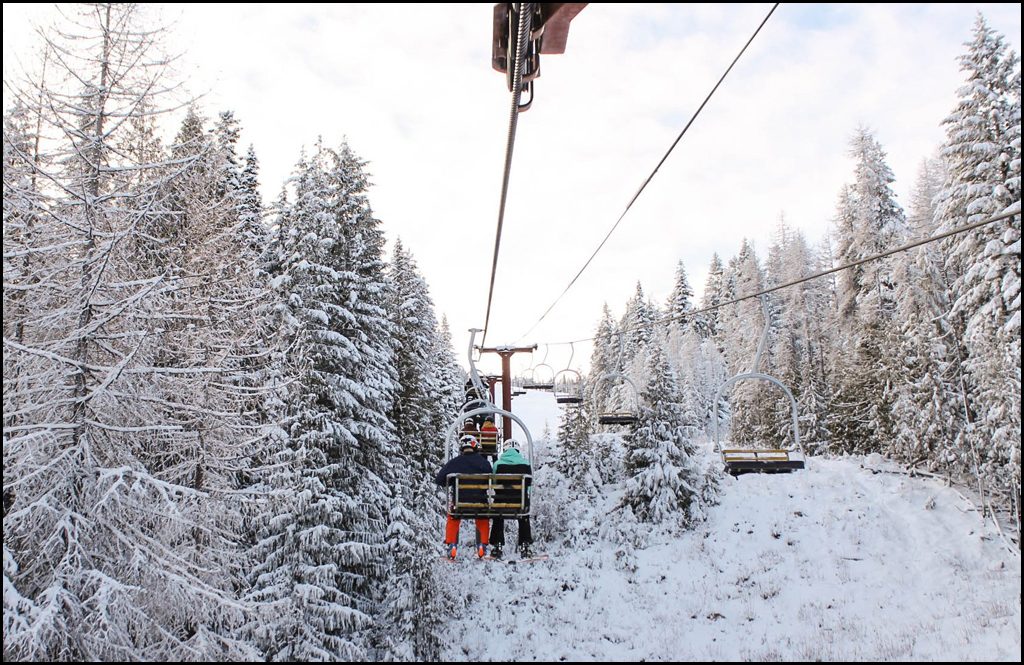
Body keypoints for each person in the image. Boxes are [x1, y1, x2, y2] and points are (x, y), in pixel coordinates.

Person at [435, 435, 492, 559]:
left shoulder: (455, 462)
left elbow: (439, 480)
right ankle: (482, 545)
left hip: (459, 503)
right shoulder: (484, 463)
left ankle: (452, 545)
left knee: (453, 517)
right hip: (480, 503)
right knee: (483, 517)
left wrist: (451, 481)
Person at [489, 440, 534, 560]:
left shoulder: (498, 464)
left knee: (498, 516)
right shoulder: (526, 464)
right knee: (524, 515)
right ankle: (525, 545)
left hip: (501, 501)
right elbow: (529, 484)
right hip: (521, 502)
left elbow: (494, 483)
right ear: (518, 450)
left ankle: (497, 545)